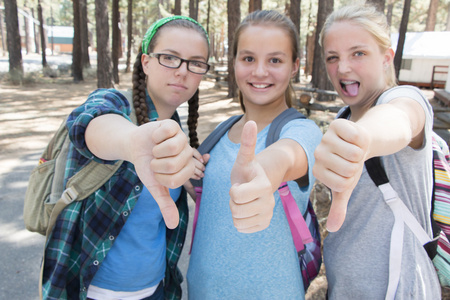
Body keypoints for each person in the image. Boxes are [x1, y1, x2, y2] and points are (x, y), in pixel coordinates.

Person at [41, 16, 210, 300]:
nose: (182, 71)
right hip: (89, 290)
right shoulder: (115, 104)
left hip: (156, 289)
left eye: (195, 63)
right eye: (170, 57)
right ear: (146, 62)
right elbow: (88, 122)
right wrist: (132, 142)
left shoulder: (177, 131)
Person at [186, 10, 322, 299]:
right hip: (202, 291)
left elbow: (286, 156)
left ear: (294, 66)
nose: (260, 71)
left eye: (275, 60)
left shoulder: (302, 131)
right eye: (248, 58)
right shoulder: (219, 135)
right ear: (234, 62)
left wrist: (266, 172)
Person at [312, 4, 441, 299]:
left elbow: (399, 120)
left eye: (358, 53)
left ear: (386, 57)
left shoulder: (405, 99)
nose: (342, 68)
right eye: (333, 57)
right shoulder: (343, 118)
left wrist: (363, 140)